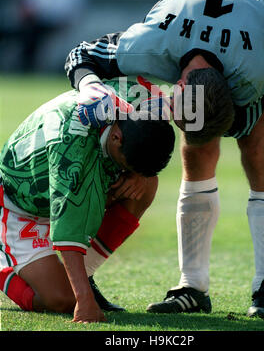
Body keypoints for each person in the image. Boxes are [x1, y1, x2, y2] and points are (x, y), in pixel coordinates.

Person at [64, 0, 264, 318]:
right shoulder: (151, 44)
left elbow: (241, 124)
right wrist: (90, 88)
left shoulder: (254, 75)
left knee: (257, 147)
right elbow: (80, 55)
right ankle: (193, 286)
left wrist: (175, 107)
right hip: (188, 14)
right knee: (196, 146)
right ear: (179, 81)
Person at [0, 78, 175, 323]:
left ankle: (85, 275)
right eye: (127, 164)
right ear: (116, 136)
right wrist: (84, 300)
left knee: (145, 185)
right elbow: (69, 226)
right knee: (63, 300)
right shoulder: (73, 150)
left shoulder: (140, 106)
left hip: (67, 186)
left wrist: (139, 173)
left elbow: (159, 100)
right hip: (19, 205)